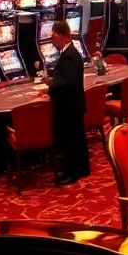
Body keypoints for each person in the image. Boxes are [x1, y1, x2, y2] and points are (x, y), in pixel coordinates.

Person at [46, 20, 90, 184]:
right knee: (77, 138)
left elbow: (69, 81)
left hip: (69, 105)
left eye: (54, 36)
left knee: (70, 140)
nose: (53, 40)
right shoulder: (71, 52)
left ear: (62, 35)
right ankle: (82, 169)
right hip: (74, 104)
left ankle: (71, 173)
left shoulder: (69, 55)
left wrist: (51, 84)